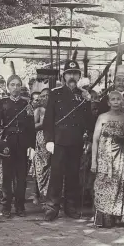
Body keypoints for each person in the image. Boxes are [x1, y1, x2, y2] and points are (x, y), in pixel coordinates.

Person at [42, 59, 93, 221]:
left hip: (76, 141)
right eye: (69, 74)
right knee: (56, 175)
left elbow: (88, 122)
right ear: (64, 77)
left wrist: (89, 101)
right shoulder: (55, 94)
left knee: (73, 175)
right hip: (59, 141)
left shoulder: (83, 96)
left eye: (75, 74)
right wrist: (49, 140)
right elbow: (48, 120)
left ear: (79, 77)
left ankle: (71, 207)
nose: (72, 76)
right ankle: (51, 208)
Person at [0, 75, 35, 218]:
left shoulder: (26, 104)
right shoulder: (2, 103)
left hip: (23, 143)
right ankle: (6, 206)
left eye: (17, 85)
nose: (15, 87)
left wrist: (31, 146)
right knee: (7, 176)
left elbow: (31, 128)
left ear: (21, 87)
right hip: (7, 143)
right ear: (8, 87)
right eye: (12, 85)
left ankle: (20, 206)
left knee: (21, 177)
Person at [90, 90, 124, 227]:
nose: (116, 102)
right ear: (108, 102)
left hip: (120, 156)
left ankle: (116, 215)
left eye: (118, 99)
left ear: (122, 102)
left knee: (118, 184)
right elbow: (95, 140)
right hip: (104, 157)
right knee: (102, 183)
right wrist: (93, 161)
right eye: (113, 99)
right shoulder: (102, 117)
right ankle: (103, 216)